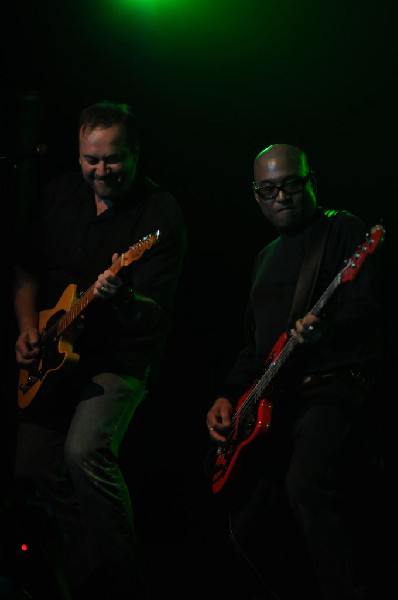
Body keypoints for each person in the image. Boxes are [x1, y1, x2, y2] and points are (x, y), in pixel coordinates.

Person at [12, 100, 187, 599]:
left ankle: (121, 585)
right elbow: (26, 267)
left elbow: (156, 311)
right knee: (31, 468)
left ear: (134, 155)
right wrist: (26, 329)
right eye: (91, 159)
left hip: (118, 357)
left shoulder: (159, 212)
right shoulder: (59, 194)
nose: (100, 170)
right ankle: (79, 576)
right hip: (53, 352)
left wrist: (124, 295)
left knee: (84, 451)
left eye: (112, 160)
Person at [206, 143, 384, 600]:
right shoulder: (264, 258)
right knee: (244, 522)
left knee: (305, 484)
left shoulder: (341, 230)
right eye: (269, 189)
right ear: (256, 196)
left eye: (290, 184)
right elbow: (255, 346)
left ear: (311, 183)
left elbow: (370, 308)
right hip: (274, 401)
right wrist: (228, 394)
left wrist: (324, 330)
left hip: (333, 386)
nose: (281, 196)